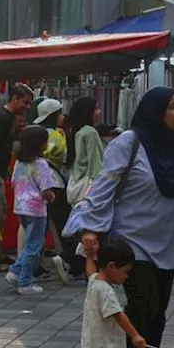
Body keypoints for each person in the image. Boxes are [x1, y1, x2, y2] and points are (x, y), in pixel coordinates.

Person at [68, 87, 174, 348]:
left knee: (157, 315)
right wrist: (90, 229)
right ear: (156, 111)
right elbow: (105, 185)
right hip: (132, 242)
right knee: (143, 306)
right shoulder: (128, 143)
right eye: (172, 107)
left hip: (169, 242)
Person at [0, 84, 34, 272]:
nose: (27, 107)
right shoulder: (2, 118)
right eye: (25, 102)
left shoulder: (6, 118)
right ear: (15, 98)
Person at [8, 126, 57, 295]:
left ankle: (15, 271)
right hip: (36, 209)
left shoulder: (19, 163)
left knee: (30, 243)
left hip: (21, 207)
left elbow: (14, 182)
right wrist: (52, 198)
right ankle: (25, 281)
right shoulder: (41, 164)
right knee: (34, 246)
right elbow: (45, 189)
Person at [64, 97, 104, 277]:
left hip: (76, 184)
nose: (99, 112)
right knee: (93, 229)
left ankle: (73, 261)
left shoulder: (77, 132)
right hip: (89, 186)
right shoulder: (90, 133)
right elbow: (95, 165)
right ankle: (80, 263)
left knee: (85, 228)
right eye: (96, 108)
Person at [35, 97, 72, 283]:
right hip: (55, 183)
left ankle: (37, 264)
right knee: (63, 223)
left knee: (39, 227)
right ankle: (66, 258)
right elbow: (64, 157)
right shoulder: (57, 135)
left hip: (38, 184)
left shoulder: (37, 133)